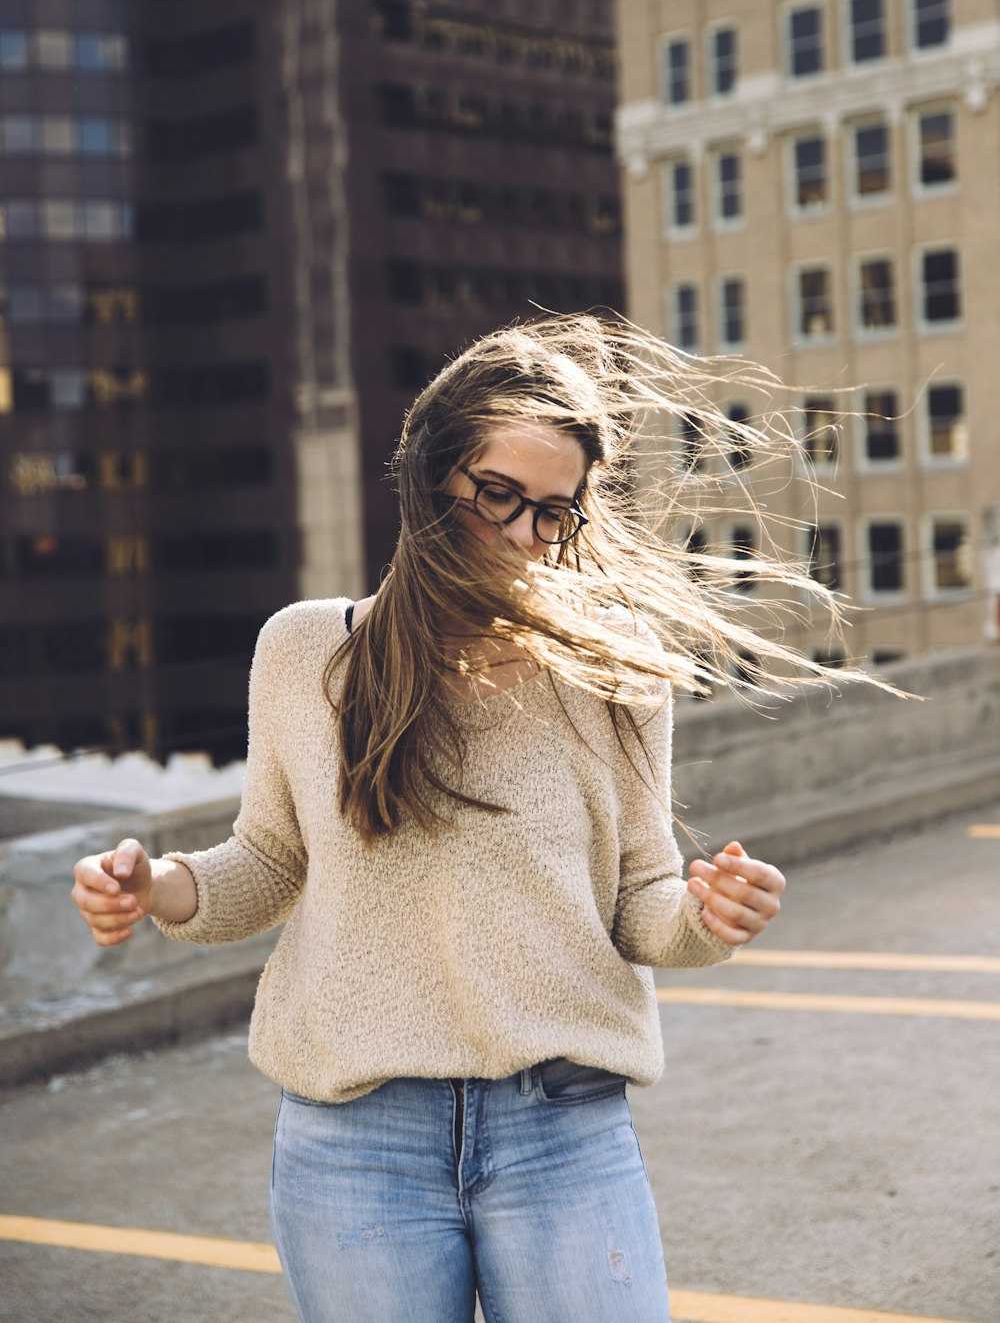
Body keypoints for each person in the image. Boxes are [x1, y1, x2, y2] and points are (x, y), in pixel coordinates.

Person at [72, 314, 857, 1322]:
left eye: (554, 513)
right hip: (356, 1141)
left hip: (562, 1130)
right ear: (430, 477)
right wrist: (156, 888)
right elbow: (268, 859)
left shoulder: (612, 673)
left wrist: (709, 919)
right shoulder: (308, 651)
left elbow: (641, 901)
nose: (523, 535)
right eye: (498, 495)